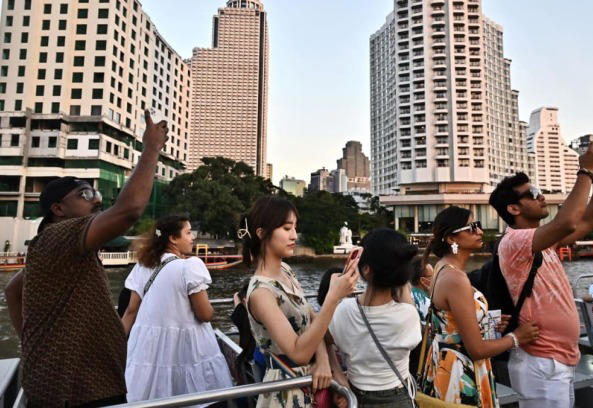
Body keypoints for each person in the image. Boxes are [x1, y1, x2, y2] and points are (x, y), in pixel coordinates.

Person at [3, 111, 168, 407]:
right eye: (85, 193)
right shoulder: (60, 235)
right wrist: (151, 148)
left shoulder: (55, 248)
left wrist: (34, 345)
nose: (97, 199)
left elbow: (13, 290)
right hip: (78, 391)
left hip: (83, 381)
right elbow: (128, 211)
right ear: (59, 209)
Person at [489, 141, 593, 408]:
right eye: (532, 193)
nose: (541, 196)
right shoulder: (514, 241)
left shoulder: (544, 243)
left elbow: (589, 221)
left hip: (557, 360)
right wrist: (586, 173)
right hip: (541, 363)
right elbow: (566, 221)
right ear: (513, 209)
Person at [242, 196, 358, 408]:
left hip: (309, 382)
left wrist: (324, 359)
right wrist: (333, 298)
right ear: (261, 233)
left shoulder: (285, 270)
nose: (294, 235)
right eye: (286, 228)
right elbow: (299, 353)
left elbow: (312, 317)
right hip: (285, 390)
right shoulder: (261, 293)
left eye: (295, 227)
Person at [419, 206, 540, 408]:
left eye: (478, 225)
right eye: (472, 227)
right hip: (460, 374)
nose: (480, 231)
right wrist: (516, 337)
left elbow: (448, 324)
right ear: (451, 239)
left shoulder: (441, 268)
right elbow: (476, 349)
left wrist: (483, 322)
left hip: (446, 366)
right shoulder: (456, 278)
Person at [120, 214, 232, 401]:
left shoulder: (143, 265)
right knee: (195, 396)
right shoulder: (189, 267)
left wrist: (116, 346)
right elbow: (204, 314)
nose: (193, 237)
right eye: (188, 232)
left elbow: (131, 310)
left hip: (148, 349)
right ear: (173, 238)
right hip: (187, 347)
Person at [329, 228, 422, 408]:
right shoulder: (408, 315)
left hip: (355, 397)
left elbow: (325, 341)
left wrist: (337, 372)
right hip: (398, 398)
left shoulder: (343, 310)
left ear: (365, 269)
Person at [409, 257, 434, 325]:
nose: (436, 278)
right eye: (433, 275)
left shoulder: (407, 297)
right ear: (423, 280)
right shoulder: (427, 303)